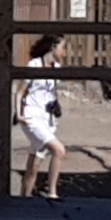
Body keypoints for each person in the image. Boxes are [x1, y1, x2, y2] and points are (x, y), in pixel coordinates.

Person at [16, 59, 67, 199]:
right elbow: (21, 91)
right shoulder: (34, 65)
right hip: (32, 117)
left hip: (47, 119)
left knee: (34, 166)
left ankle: (24, 198)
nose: (64, 52)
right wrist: (19, 113)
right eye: (61, 47)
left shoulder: (56, 67)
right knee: (59, 150)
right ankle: (52, 193)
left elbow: (50, 92)